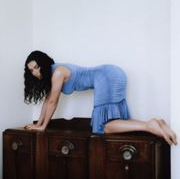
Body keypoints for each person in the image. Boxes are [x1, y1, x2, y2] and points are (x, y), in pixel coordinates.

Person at [23, 51, 177, 146]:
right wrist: (38, 123)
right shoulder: (53, 74)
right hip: (113, 73)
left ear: (43, 63)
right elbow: (47, 100)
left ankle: (148, 126)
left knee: (102, 127)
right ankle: (153, 124)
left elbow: (52, 102)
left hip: (105, 76)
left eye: (37, 67)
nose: (35, 72)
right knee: (113, 123)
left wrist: (43, 127)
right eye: (31, 70)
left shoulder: (57, 72)